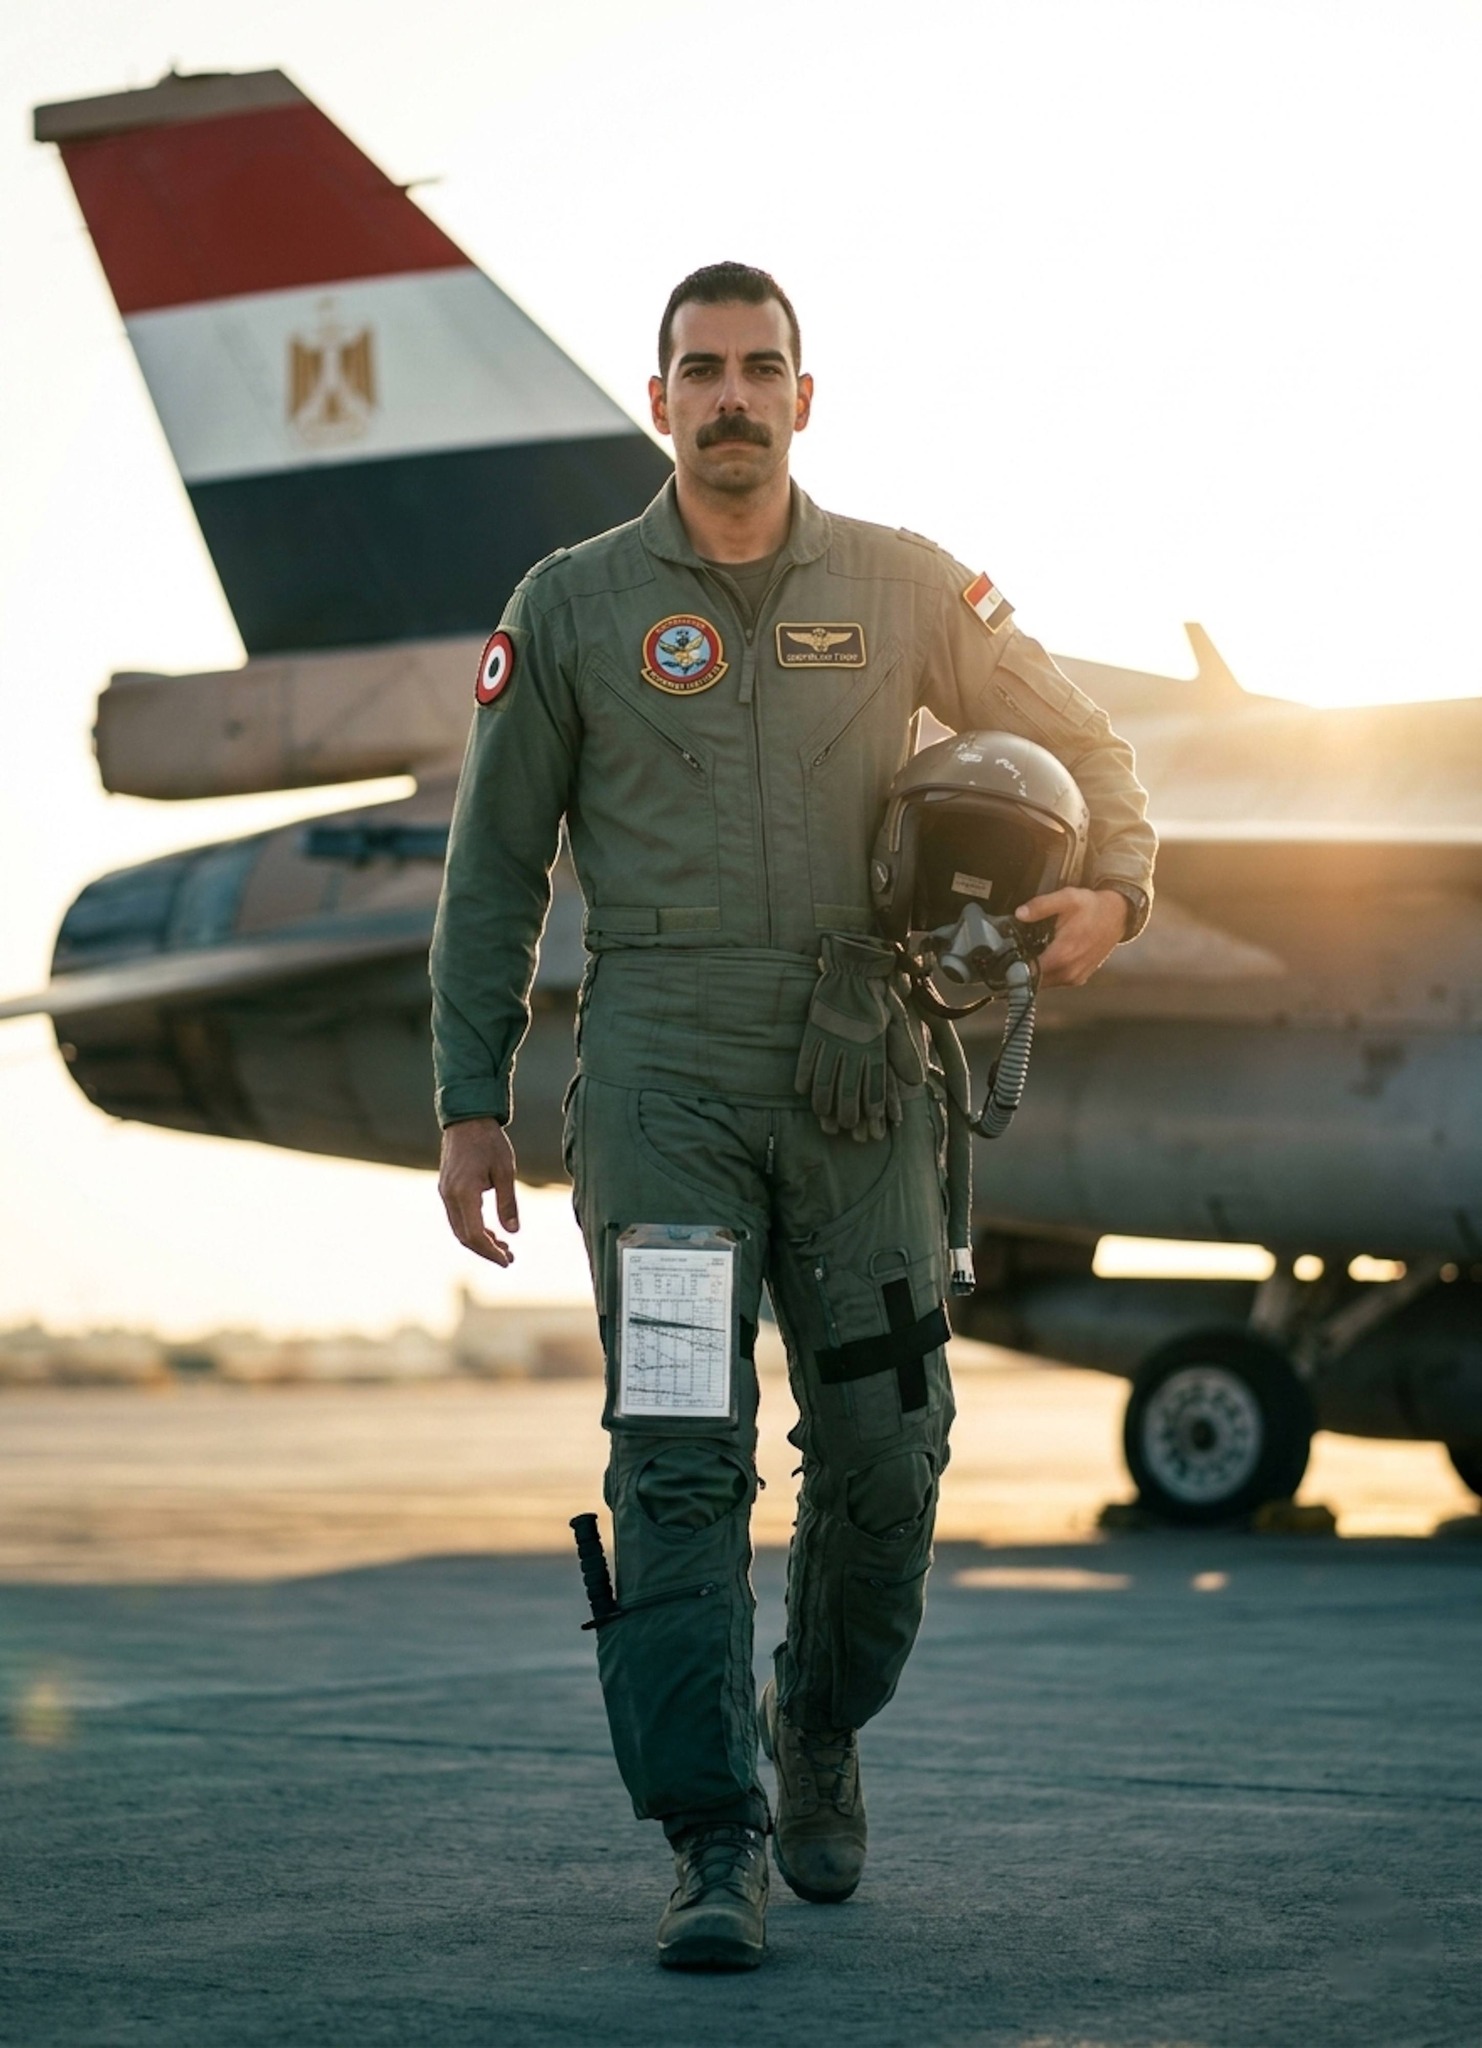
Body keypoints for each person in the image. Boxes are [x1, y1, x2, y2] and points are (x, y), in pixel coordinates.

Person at [431, 262, 1155, 1971]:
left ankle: (816, 1724)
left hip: (858, 1079)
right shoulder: (575, 604)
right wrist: (469, 1103)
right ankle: (707, 1835)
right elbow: (490, 874)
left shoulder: (905, 587)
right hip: (666, 1081)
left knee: (889, 1457)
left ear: (803, 397)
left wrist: (1116, 885)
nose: (733, 396)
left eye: (761, 368)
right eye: (703, 371)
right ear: (663, 397)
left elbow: (1087, 746)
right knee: (678, 1460)